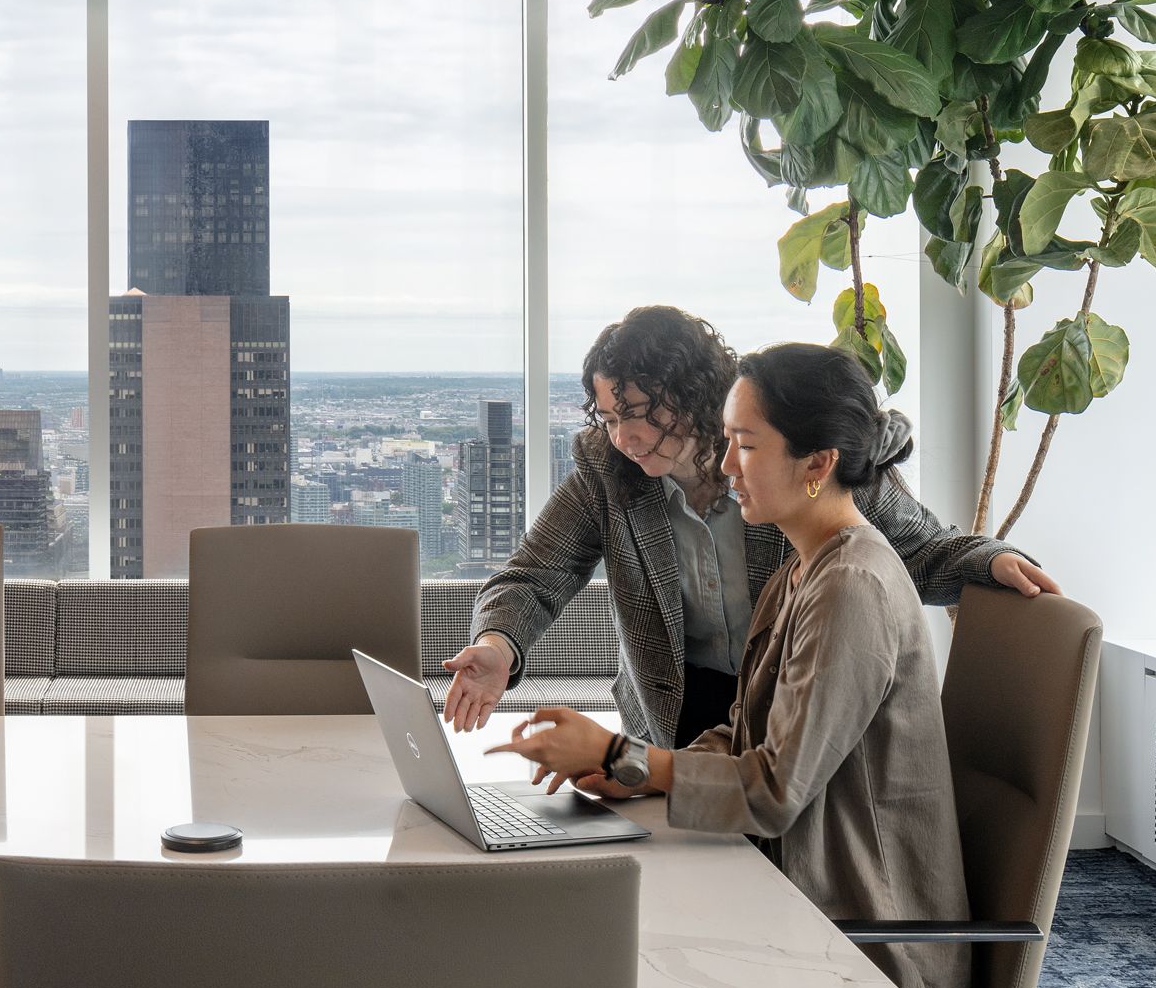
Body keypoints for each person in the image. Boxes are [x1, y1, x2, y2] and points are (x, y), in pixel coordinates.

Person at [491, 343, 978, 988]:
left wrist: (627, 758)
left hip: (864, 941)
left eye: (745, 445)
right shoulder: (805, 566)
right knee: (607, 954)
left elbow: (774, 787)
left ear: (817, 463)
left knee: (617, 977)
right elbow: (742, 739)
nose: (725, 464)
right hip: (805, 897)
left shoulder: (850, 587)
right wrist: (623, 768)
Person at [442, 304, 1058, 752]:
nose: (624, 436)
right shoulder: (608, 470)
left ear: (693, 395)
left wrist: (988, 561)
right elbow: (535, 574)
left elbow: (919, 551)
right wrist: (497, 645)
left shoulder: (792, 458)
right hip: (674, 713)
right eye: (607, 418)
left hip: (791, 706)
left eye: (639, 414)